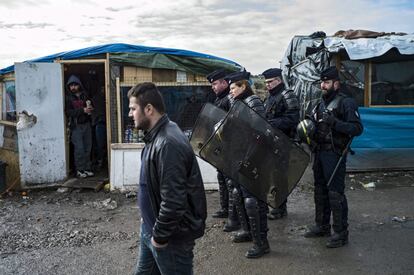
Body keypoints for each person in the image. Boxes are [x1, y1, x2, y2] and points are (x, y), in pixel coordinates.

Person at [129, 82, 207, 274]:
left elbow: (174, 200)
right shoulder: (155, 135)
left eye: (133, 108)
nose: (130, 114)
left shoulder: (168, 143)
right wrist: (145, 219)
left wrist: (160, 237)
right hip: (151, 227)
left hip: (170, 239)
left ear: (148, 109)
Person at [302, 66, 363, 248]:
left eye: (327, 82)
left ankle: (340, 232)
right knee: (320, 190)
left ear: (336, 83)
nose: (323, 85)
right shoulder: (319, 103)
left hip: (335, 153)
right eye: (322, 82)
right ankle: (321, 226)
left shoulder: (346, 103)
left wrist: (334, 123)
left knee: (335, 193)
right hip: (319, 152)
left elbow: (357, 129)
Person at [224, 71, 270, 258]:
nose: (231, 91)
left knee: (253, 200)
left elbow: (261, 132)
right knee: (238, 194)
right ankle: (248, 231)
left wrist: (250, 157)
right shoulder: (237, 103)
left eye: (234, 87)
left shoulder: (254, 102)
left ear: (243, 86)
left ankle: (261, 243)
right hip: (238, 156)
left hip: (253, 158)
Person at [261, 68, 300, 220]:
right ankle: (274, 205)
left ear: (279, 80)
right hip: (271, 141)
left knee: (280, 176)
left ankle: (280, 208)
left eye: (270, 82)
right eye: (266, 82)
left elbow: (293, 119)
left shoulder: (287, 95)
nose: (267, 85)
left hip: (284, 141)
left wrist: (272, 123)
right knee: (271, 175)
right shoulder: (270, 97)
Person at [206, 69, 232, 222]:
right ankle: (224, 208)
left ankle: (231, 211)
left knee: (229, 181)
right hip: (220, 146)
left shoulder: (229, 99)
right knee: (221, 178)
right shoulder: (219, 100)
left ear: (224, 82)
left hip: (229, 146)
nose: (213, 87)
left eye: (215, 83)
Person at [65, 75, 94, 178]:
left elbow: (90, 106)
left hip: (87, 124)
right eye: (71, 85)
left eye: (75, 85)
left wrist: (90, 109)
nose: (73, 87)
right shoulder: (68, 98)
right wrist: (83, 110)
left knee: (88, 147)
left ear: (79, 85)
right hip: (76, 126)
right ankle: (79, 170)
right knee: (79, 149)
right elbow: (68, 112)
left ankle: (87, 168)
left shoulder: (85, 95)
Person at [91, 86, 107, 169]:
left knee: (100, 144)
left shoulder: (103, 99)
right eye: (102, 88)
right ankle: (100, 162)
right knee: (100, 144)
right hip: (100, 123)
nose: (103, 90)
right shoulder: (97, 99)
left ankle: (100, 162)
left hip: (100, 123)